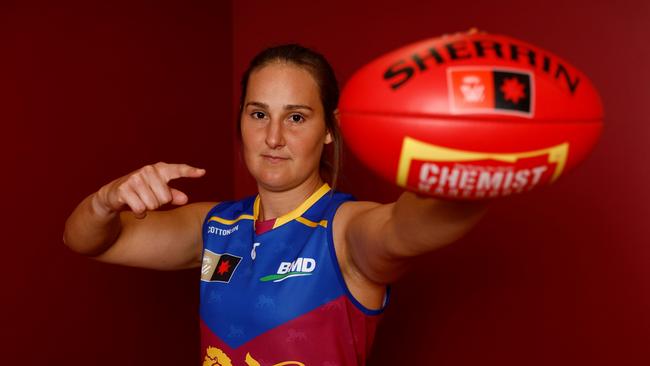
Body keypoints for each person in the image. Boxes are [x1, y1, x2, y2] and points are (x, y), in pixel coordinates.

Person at [64, 44, 487, 365]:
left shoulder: (342, 229)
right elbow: (89, 241)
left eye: (297, 117)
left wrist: (474, 163)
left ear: (329, 129)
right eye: (259, 114)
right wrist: (106, 200)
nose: (273, 138)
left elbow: (410, 224)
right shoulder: (215, 225)